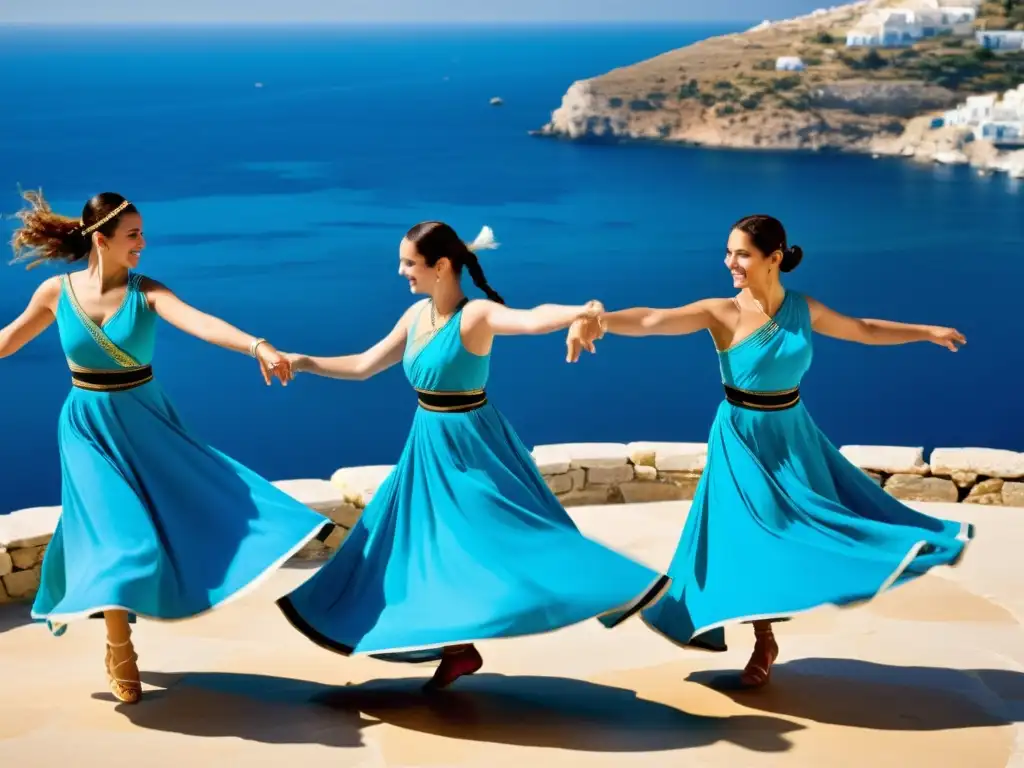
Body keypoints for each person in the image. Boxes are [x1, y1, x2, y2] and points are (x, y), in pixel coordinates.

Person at [565, 213, 972, 689]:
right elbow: (655, 319)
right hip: (742, 437)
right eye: (728, 252)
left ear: (774, 259)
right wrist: (599, 322)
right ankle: (764, 640)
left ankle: (781, 618)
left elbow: (863, 329)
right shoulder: (723, 313)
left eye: (742, 253)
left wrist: (926, 331)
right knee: (760, 531)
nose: (729, 262)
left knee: (816, 525)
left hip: (793, 433)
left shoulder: (804, 308)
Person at [275, 221, 670, 690]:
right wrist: (302, 361)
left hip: (471, 444)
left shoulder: (476, 315)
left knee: (503, 539)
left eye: (409, 262)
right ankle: (459, 651)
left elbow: (531, 317)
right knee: (406, 547)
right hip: (426, 443)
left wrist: (583, 312)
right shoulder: (415, 317)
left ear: (440, 266)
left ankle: (619, 587)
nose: (401, 271)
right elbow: (363, 366)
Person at [1, 190, 333, 704]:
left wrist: (258, 346)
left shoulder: (147, 291)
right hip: (87, 428)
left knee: (203, 507)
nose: (143, 243)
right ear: (101, 238)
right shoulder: (55, 293)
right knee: (120, 540)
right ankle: (120, 645)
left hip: (146, 421)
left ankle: (143, 616)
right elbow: (6, 341)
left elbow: (203, 323)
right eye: (132, 235)